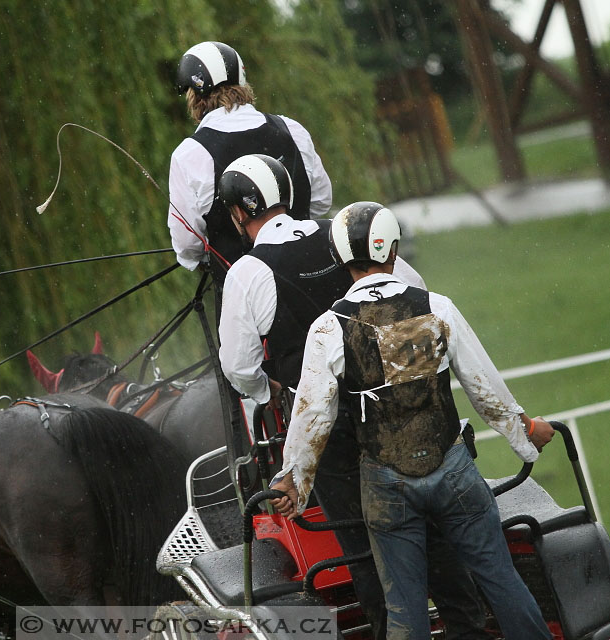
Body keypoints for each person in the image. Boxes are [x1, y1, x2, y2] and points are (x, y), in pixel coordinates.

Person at [216, 158, 489, 639]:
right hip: (402, 417)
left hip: (334, 435)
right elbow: (415, 293)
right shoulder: (346, 232)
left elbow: (239, 367)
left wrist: (269, 390)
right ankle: (466, 625)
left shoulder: (247, 273)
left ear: (240, 212)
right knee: (435, 531)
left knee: (363, 545)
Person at [270, 202, 556, 640]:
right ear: (393, 250)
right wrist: (525, 434)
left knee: (405, 612)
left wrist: (295, 480)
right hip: (454, 471)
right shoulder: (437, 306)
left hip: (386, 487)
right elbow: (485, 389)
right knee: (501, 581)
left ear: (339, 257)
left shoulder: (328, 329)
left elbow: (313, 417)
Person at [169, 41, 332, 278]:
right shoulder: (291, 130)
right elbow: (321, 201)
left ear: (195, 95)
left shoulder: (189, 155)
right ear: (242, 83)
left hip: (242, 293)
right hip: (314, 278)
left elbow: (188, 244)